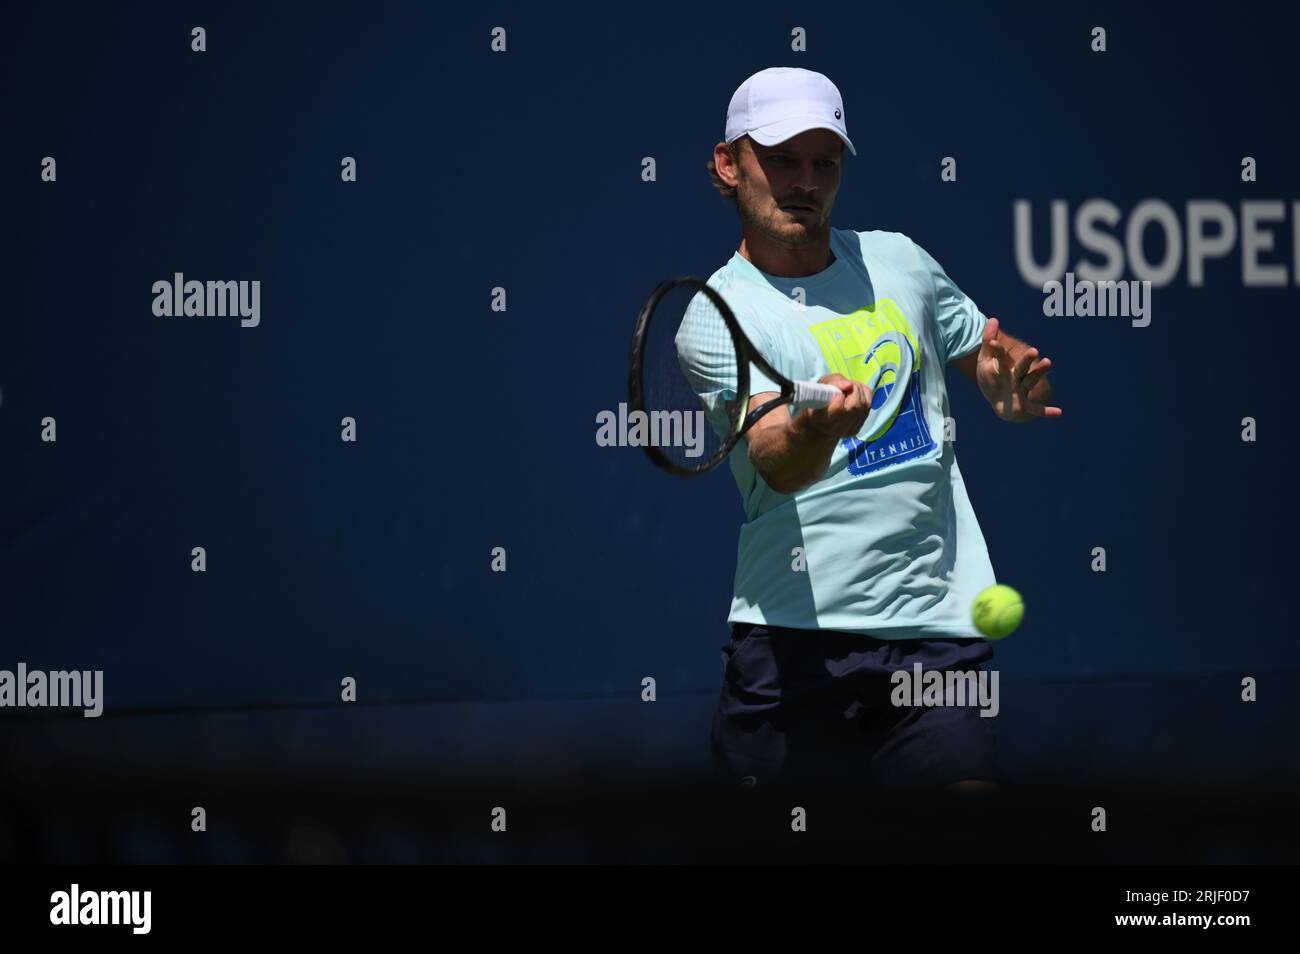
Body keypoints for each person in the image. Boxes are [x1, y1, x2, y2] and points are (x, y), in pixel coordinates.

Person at [697, 67, 1062, 792]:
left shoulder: (900, 260)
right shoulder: (714, 314)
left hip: (936, 634)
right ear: (729, 164)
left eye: (824, 161)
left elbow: (999, 355)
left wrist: (1015, 379)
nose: (806, 181)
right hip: (791, 647)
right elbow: (776, 459)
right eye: (781, 160)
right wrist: (820, 430)